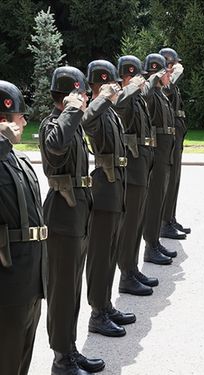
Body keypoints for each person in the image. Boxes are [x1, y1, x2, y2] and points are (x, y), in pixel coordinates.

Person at [40, 66, 104, 374]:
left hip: (78, 211)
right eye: (79, 93)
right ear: (67, 95)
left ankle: (70, 348)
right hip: (62, 214)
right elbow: (54, 147)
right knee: (63, 290)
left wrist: (76, 111)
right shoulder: (54, 125)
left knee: (73, 289)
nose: (84, 98)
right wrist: (71, 110)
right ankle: (61, 359)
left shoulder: (72, 123)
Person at [84, 60, 136, 338]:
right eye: (110, 84)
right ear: (98, 86)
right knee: (100, 256)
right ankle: (97, 313)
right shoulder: (96, 111)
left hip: (117, 187)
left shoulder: (110, 112)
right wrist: (102, 97)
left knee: (111, 252)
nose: (116, 87)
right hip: (104, 190)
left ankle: (105, 305)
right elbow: (86, 119)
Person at [0, 81, 47, 375]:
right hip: (7, 281)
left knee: (21, 359)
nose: (24, 121)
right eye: (19, 115)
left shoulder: (18, 159)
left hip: (30, 278)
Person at [114, 55, 159, 296]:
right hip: (132, 169)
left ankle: (131, 268)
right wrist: (130, 87)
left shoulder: (138, 99)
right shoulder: (124, 98)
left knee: (138, 220)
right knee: (130, 223)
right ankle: (126, 274)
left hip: (142, 165)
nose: (138, 80)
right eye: (132, 76)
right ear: (124, 78)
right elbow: (118, 104)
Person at [141, 53, 177, 265]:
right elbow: (143, 95)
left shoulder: (161, 94)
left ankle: (154, 242)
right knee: (154, 202)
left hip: (165, 153)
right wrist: (154, 77)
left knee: (159, 199)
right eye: (166, 72)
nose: (169, 76)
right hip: (156, 154)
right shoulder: (150, 93)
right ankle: (150, 245)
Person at [159, 47, 191, 239]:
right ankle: (164, 222)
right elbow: (166, 90)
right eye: (173, 64)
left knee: (175, 180)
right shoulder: (161, 83)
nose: (176, 67)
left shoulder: (171, 82)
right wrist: (174, 76)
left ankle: (170, 218)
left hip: (176, 136)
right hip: (168, 138)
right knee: (168, 181)